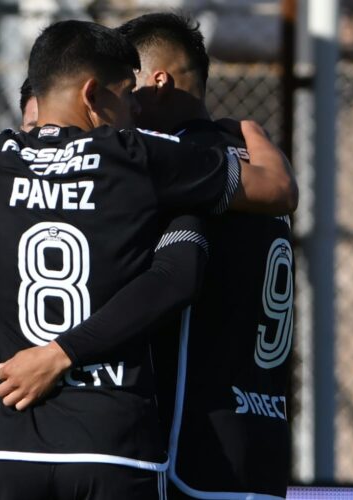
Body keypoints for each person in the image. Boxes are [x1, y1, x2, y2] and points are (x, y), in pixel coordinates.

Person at [0, 20, 296, 500]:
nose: (134, 108)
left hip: (9, 444)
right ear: (92, 96)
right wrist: (248, 130)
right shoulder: (139, 156)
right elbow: (277, 190)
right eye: (127, 93)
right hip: (111, 444)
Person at [119, 13, 293, 499]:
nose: (117, 106)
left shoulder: (177, 162)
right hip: (262, 438)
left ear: (158, 82)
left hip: (195, 444)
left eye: (122, 88)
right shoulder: (245, 159)